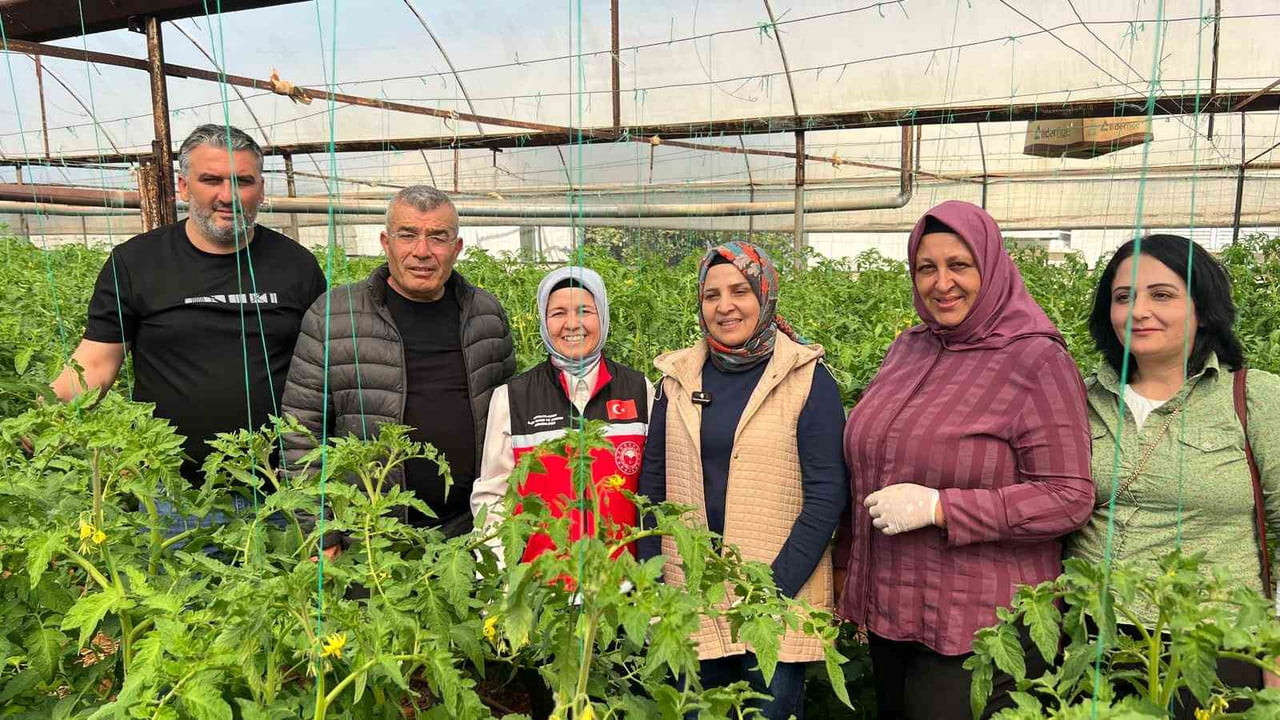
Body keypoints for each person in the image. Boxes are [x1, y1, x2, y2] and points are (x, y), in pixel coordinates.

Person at [836, 200, 1093, 720]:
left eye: (959, 265)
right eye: (926, 268)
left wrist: (942, 508)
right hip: (891, 611)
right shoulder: (909, 348)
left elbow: (1068, 496)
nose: (941, 283)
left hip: (978, 625)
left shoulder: (1036, 359)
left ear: (991, 266)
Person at [1066, 234, 1280, 717]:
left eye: (1161, 295)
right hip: (1092, 644)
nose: (1139, 310)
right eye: (1124, 297)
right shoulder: (1078, 399)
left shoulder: (1255, 399)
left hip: (1215, 647)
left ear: (1203, 309)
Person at [636, 242, 849, 720]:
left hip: (774, 605)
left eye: (739, 291)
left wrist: (769, 592)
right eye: (711, 295)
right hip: (689, 599)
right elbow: (653, 484)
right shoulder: (678, 378)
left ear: (765, 294)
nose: (725, 306)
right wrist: (654, 578)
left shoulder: (806, 378)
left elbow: (826, 495)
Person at [52, 123, 326, 491]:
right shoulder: (137, 262)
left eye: (243, 181)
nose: (228, 196)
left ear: (261, 189)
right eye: (211, 180)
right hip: (172, 491)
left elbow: (323, 370)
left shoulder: (297, 265)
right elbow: (96, 363)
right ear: (184, 187)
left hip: (280, 488)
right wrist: (41, 419)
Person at [280, 185, 515, 539]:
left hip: (473, 530)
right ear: (386, 242)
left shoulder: (486, 314)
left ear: (457, 248)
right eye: (408, 235)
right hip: (371, 536)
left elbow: (508, 420)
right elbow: (301, 434)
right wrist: (322, 533)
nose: (422, 251)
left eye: (438, 237)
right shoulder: (333, 317)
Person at [470, 266, 653, 720]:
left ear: (604, 316)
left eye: (585, 310)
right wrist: (499, 582)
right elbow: (493, 495)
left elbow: (655, 493)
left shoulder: (642, 390)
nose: (572, 323)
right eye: (558, 312)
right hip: (543, 597)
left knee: (621, 704)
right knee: (551, 707)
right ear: (541, 320)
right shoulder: (512, 397)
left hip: (621, 594)